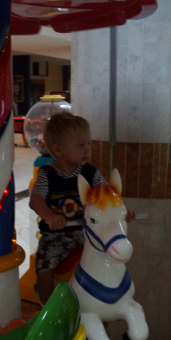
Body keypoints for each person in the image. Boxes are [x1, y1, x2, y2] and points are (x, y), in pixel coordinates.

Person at [30, 112, 136, 304]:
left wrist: (120, 213)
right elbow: (35, 198)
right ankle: (47, 307)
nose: (87, 149)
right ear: (58, 150)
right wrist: (49, 216)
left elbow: (108, 194)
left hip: (86, 231)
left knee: (110, 252)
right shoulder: (48, 174)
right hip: (56, 235)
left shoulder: (90, 172)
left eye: (88, 143)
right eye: (80, 145)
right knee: (44, 267)